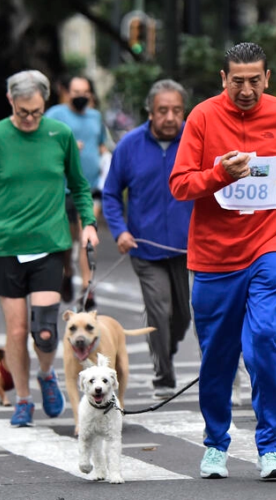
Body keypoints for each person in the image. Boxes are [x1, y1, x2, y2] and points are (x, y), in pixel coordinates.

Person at [169, 42, 276, 480]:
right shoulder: (201, 117)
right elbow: (180, 185)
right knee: (217, 356)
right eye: (237, 81)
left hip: (269, 244)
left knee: (262, 336)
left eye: (254, 81)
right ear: (223, 79)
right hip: (214, 256)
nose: (246, 90)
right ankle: (216, 443)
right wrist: (221, 174)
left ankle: (270, 445)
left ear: (268, 78)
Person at [0, 70, 99, 427]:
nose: (30, 119)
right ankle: (23, 399)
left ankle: (46, 374)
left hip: (49, 245)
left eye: (37, 111)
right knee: (16, 332)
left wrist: (89, 223)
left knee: (45, 331)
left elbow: (79, 185)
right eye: (23, 111)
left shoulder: (59, 134)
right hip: (7, 248)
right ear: (10, 101)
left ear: (45, 103)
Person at [102, 79, 193, 401]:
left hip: (187, 248)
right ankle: (163, 376)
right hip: (144, 247)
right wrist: (120, 231)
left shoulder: (195, 141)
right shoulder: (129, 146)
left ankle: (164, 348)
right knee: (159, 309)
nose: (170, 117)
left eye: (177, 111)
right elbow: (111, 194)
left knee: (182, 316)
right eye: (163, 111)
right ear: (150, 113)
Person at [46, 76, 107, 308]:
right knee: (65, 242)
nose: (80, 95)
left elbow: (101, 144)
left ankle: (87, 288)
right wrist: (65, 146)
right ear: (67, 92)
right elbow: (42, 145)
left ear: (90, 94)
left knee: (87, 239)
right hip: (61, 190)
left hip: (89, 188)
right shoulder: (55, 116)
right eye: (75, 91)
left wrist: (105, 156)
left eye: (85, 91)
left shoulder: (95, 117)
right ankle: (67, 272)